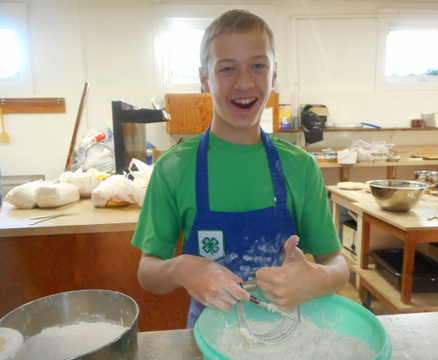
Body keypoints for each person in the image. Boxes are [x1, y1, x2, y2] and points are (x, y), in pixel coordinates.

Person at [132, 9, 349, 328]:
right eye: (227, 69)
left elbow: (337, 266)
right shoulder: (174, 168)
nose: (244, 82)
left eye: (258, 66)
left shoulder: (299, 166)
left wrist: (315, 279)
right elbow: (147, 272)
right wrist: (180, 268)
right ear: (204, 79)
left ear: (274, 75)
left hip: (285, 334)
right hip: (207, 338)